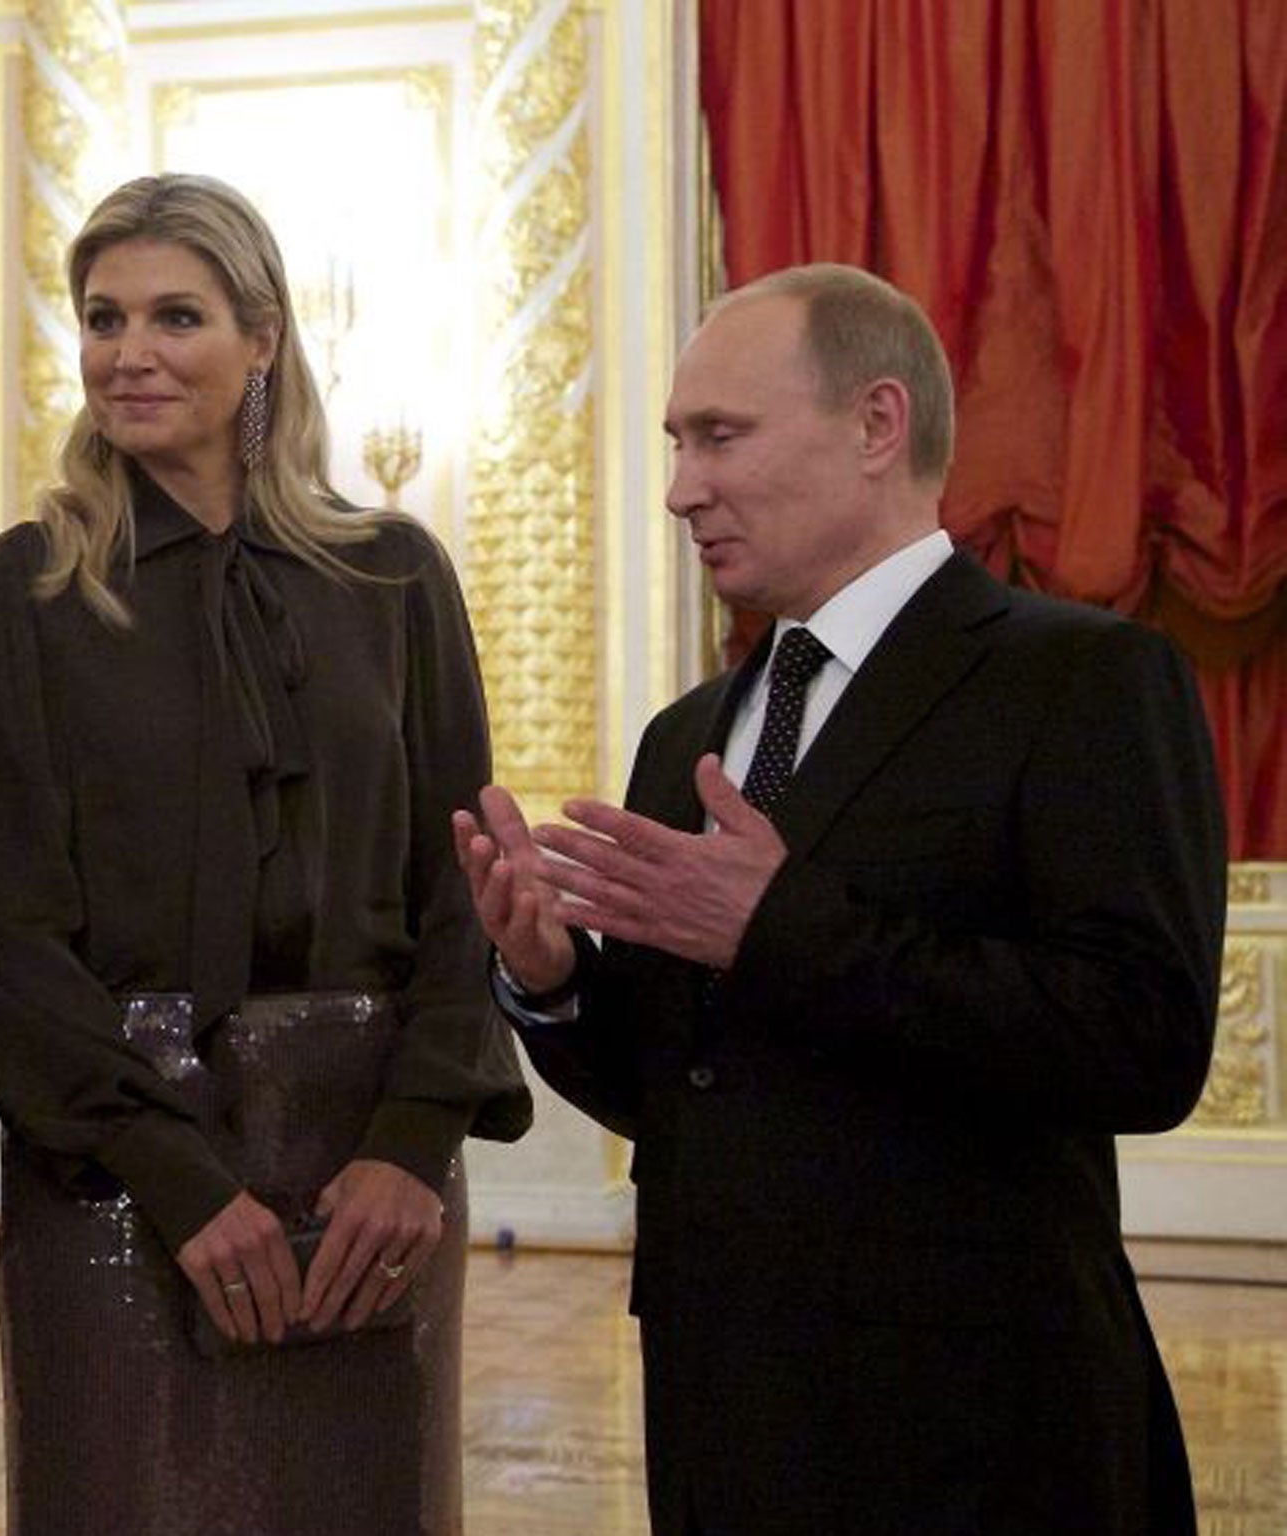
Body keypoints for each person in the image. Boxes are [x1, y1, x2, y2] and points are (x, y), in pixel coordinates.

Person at [455, 263, 1224, 1536]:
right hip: (721, 1412)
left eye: (720, 437)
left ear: (876, 425)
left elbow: (1141, 1044)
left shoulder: (1080, 680)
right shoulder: (687, 734)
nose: (678, 489)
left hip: (982, 1427)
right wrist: (552, 982)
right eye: (672, 444)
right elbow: (678, 1089)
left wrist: (777, 928)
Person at [0, 172, 531, 1536]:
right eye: (102, 318)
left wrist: (412, 1143)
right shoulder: (29, 587)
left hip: (371, 1168)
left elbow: (463, 884)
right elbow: (0, 929)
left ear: (262, 339)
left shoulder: (396, 574)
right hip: (123, 1172)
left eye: (175, 315)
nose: (128, 352)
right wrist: (186, 1183)